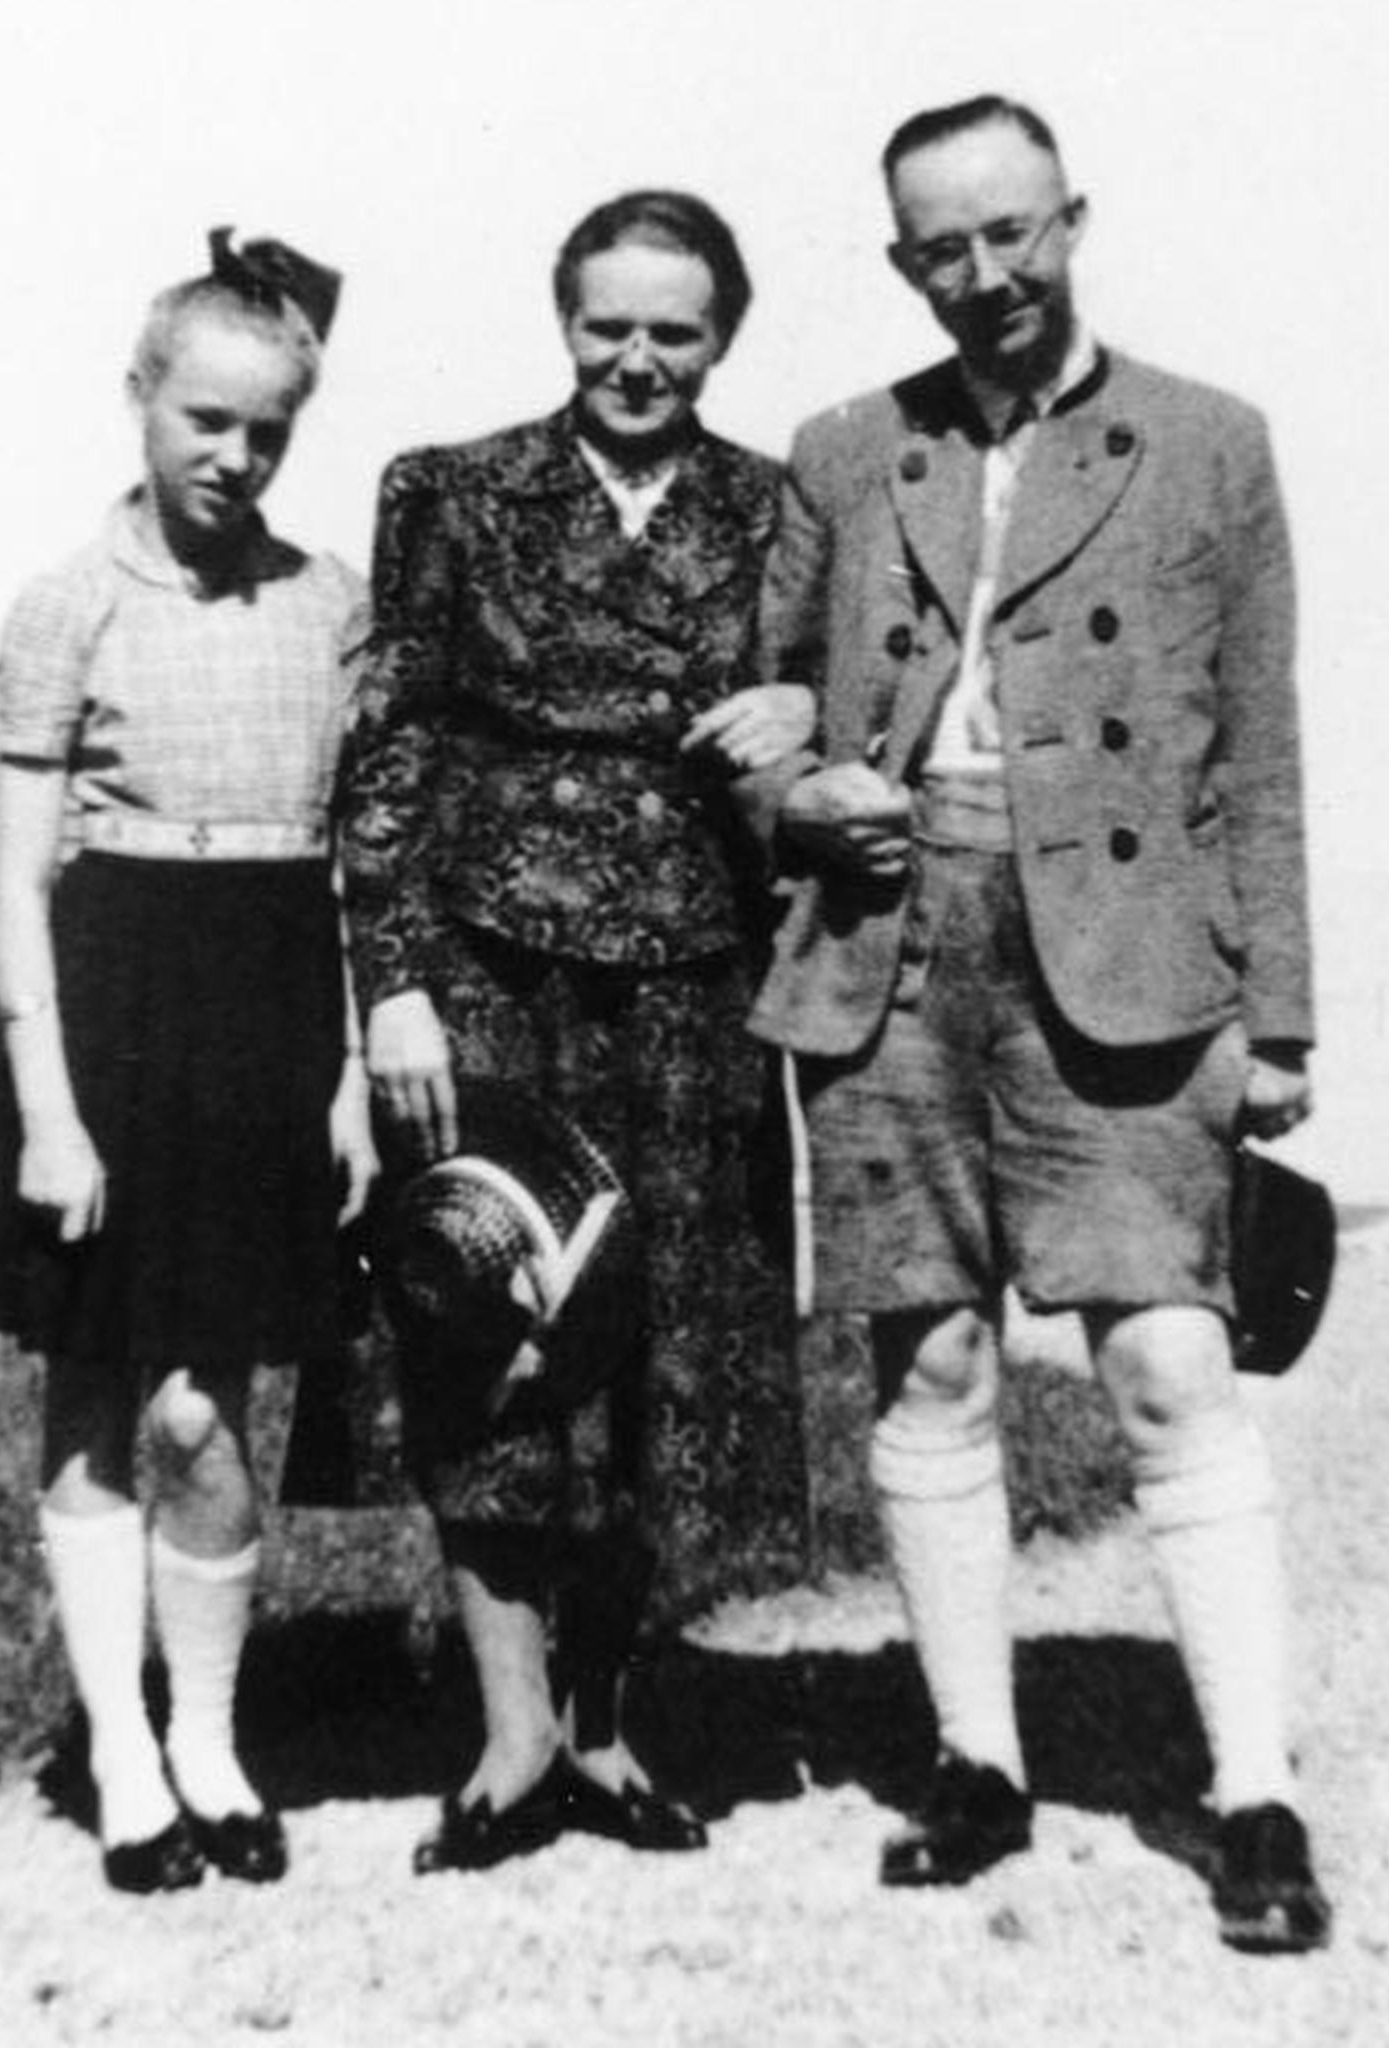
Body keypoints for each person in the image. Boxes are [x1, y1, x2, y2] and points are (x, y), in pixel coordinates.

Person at [746, 97, 1330, 1953]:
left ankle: (1254, 1795)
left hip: (1134, 965)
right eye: (943, 246)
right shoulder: (847, 450)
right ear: (903, 257)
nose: (985, 275)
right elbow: (761, 700)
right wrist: (796, 796)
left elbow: (1264, 745)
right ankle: (976, 1762)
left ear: (1074, 216)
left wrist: (1283, 1017)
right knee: (928, 1368)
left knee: (1169, 1363)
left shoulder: (1211, 442)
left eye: (1015, 233)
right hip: (892, 950)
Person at [339, 189, 814, 1873]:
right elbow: (391, 742)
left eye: (672, 330)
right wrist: (388, 974)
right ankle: (508, 1733)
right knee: (480, 1322)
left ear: (721, 339)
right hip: (484, 974)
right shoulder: (451, 490)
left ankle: (606, 1730)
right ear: (564, 323)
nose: (635, 357)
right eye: (606, 323)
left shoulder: (780, 504)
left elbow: (839, 685)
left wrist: (810, 705)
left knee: (651, 1347)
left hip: (690, 988)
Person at [0, 232, 377, 1895]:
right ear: (140, 400)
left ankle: (208, 1737)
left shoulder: (327, 599)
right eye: (204, 420)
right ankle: (123, 1763)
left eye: (267, 432)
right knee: (96, 1401)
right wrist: (51, 1115)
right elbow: (16, 878)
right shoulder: (70, 602)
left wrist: (349, 1071)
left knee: (212, 1410)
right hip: (114, 1001)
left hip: (271, 999)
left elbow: (356, 861)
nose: (234, 457)